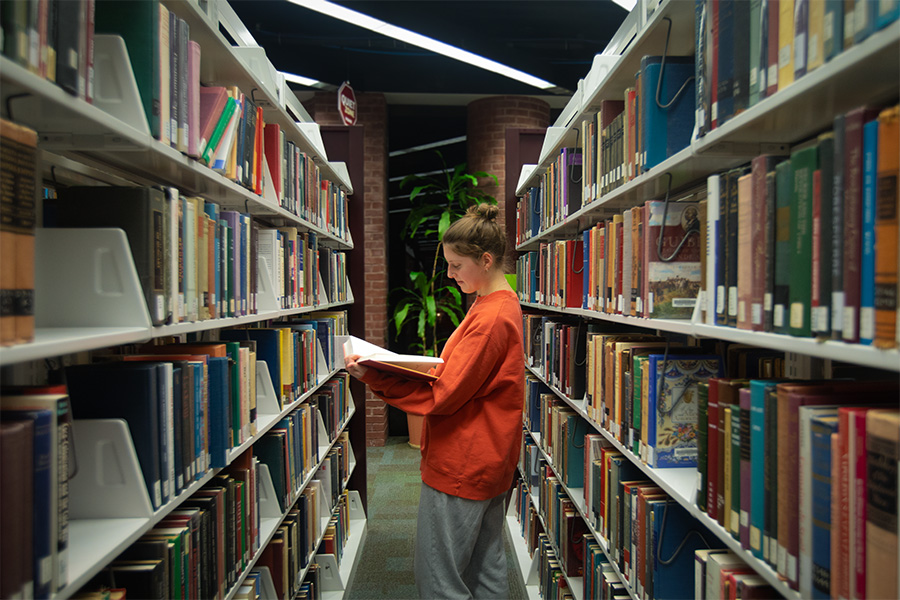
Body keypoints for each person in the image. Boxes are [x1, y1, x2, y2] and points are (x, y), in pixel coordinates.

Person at [344, 203, 525, 600]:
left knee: (438, 577)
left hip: (464, 461)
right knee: (485, 566)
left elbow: (443, 394)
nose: (449, 274)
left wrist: (376, 375)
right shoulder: (498, 303)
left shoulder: (491, 317)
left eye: (457, 265)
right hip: (489, 458)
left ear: (487, 260)